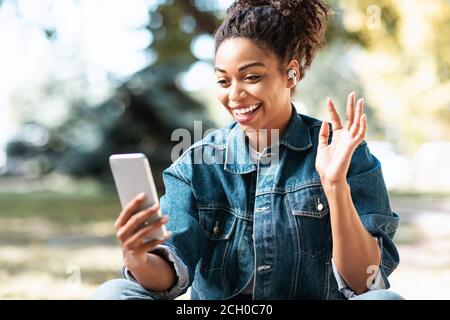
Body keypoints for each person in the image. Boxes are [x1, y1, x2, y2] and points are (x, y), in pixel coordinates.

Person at [93, 0, 403, 300]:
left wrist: (335, 187)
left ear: (290, 74)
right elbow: (168, 276)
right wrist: (137, 258)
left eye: (251, 77)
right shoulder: (195, 166)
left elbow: (365, 283)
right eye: (223, 81)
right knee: (114, 293)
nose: (235, 94)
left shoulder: (344, 153)